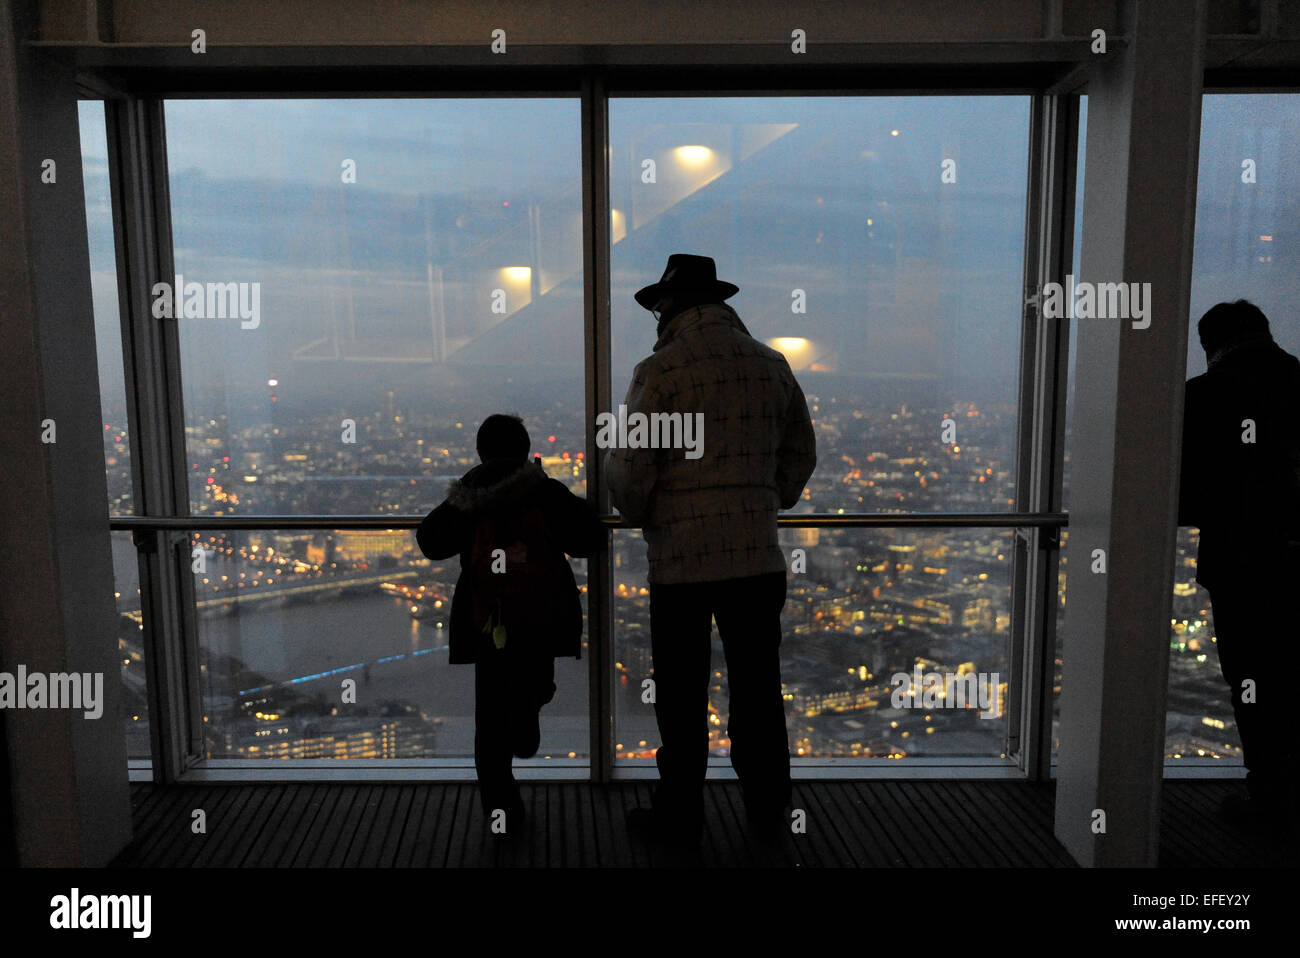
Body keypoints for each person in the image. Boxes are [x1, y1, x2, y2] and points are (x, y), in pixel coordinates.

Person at [606, 253, 817, 846]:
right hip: (756, 559)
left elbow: (628, 471)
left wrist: (644, 512)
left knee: (680, 695)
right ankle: (768, 809)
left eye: (659, 305)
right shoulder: (772, 366)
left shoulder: (661, 371)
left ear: (674, 306)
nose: (655, 316)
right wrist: (764, 500)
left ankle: (680, 813)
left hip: (682, 562)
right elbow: (801, 454)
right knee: (756, 687)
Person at [416, 413, 602, 829]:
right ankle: (528, 715)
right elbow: (591, 539)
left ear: (481, 452)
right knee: (538, 683)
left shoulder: (468, 497)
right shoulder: (544, 492)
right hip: (541, 616)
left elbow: (430, 542)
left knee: (490, 718)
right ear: (526, 449)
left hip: (488, 622)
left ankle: (502, 812)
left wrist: (465, 489)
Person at [1178, 299, 1300, 822]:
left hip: (1244, 566)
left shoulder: (1203, 396)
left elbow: (1183, 492)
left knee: (1255, 681)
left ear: (1211, 346)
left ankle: (1270, 798)